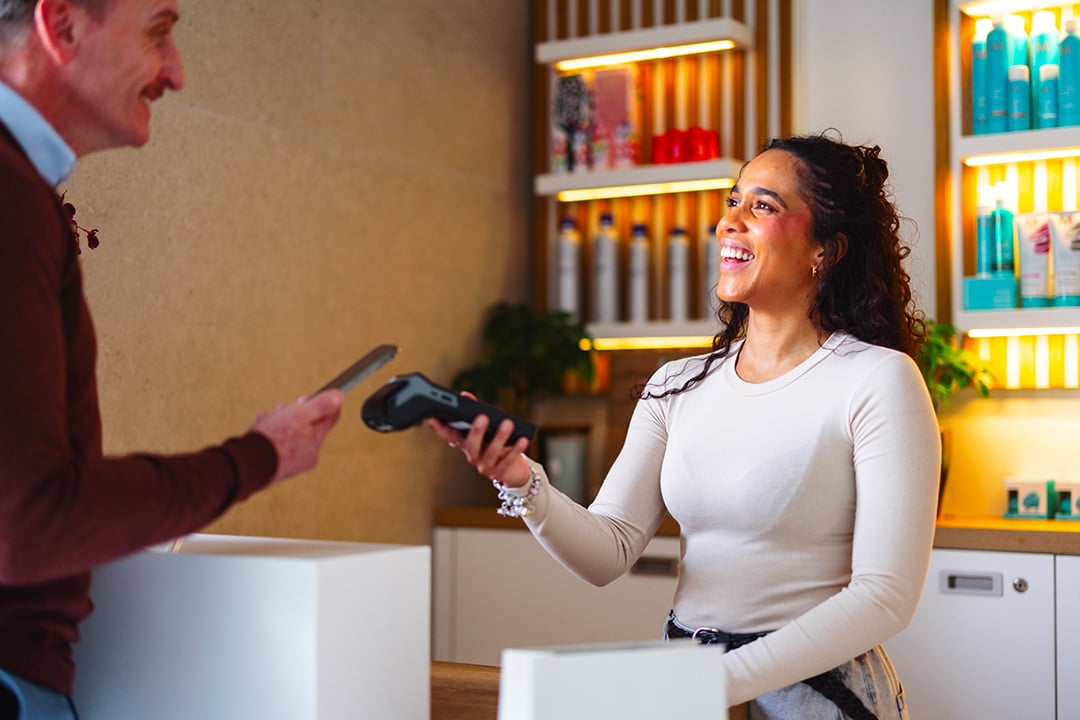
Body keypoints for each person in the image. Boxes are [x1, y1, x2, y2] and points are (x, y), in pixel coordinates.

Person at [429, 132, 941, 719]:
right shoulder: (678, 384)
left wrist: (714, 681)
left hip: (814, 697)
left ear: (824, 250)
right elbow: (609, 549)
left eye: (763, 206)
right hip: (694, 687)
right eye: (732, 201)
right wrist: (520, 480)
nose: (730, 222)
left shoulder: (876, 379)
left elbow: (885, 598)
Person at [0, 1, 344, 717]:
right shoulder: (12, 197)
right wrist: (259, 456)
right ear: (60, 26)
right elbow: (28, 522)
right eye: (158, 31)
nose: (177, 74)